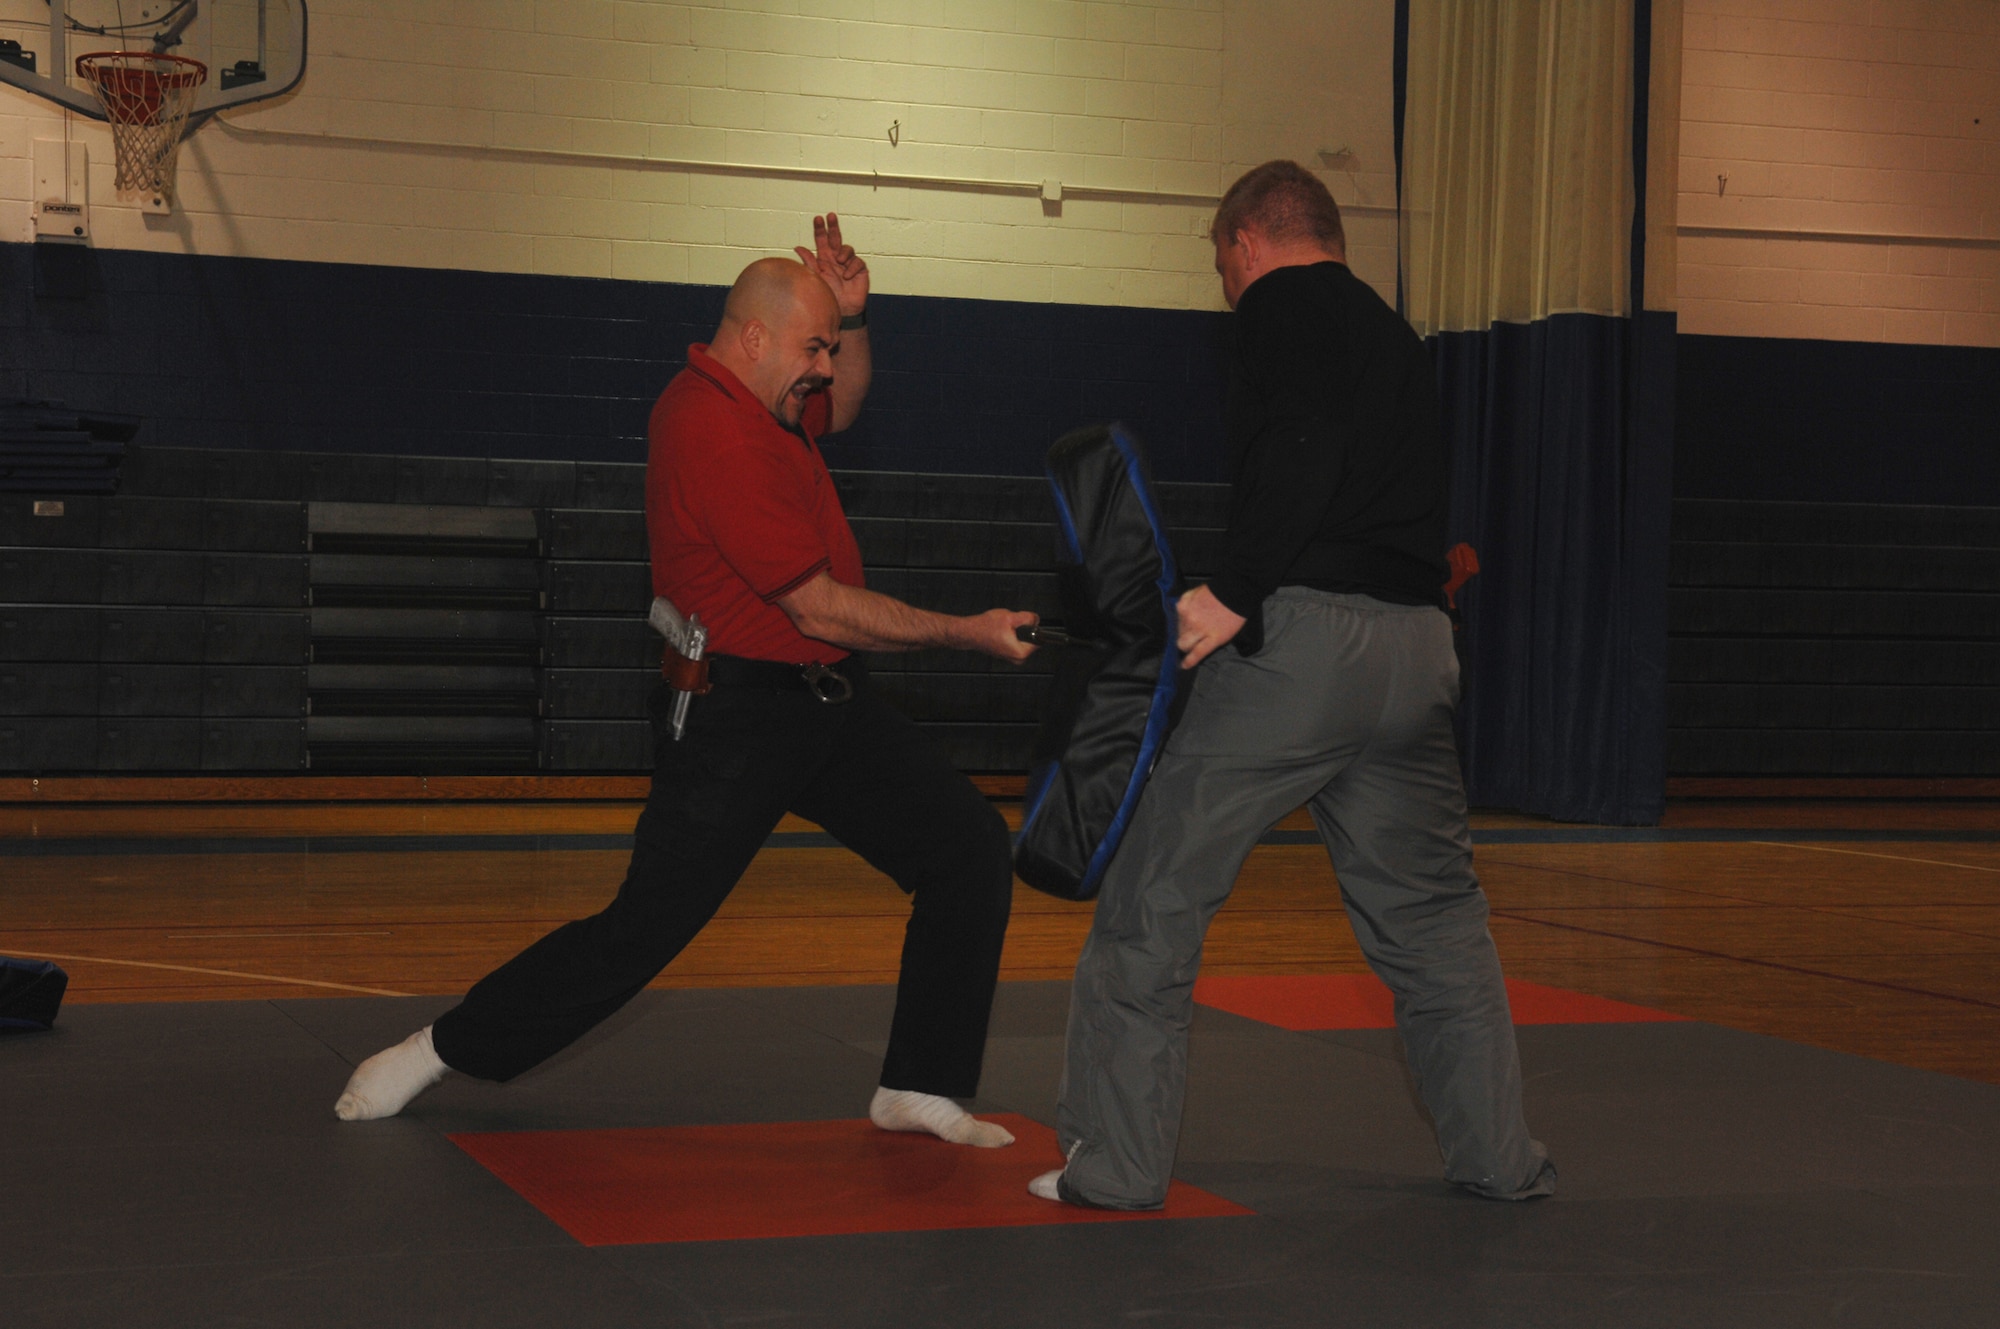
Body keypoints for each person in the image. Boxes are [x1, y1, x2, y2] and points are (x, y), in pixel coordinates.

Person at [336, 215, 1039, 1150]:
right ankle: (435, 1049)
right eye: (812, 347)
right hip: (738, 716)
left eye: (828, 348)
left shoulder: (768, 400)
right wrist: (967, 632)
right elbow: (821, 609)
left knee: (966, 849)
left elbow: (851, 406)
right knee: (641, 931)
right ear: (753, 338)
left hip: (826, 703)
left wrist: (855, 317)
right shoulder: (716, 431)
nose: (823, 368)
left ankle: (918, 1083)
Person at [1030, 162, 1556, 1207]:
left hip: (1307, 648)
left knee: (1153, 898)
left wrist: (1234, 586)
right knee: (1435, 922)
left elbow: (1305, 444)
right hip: (1418, 653)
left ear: (1248, 241)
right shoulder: (1397, 338)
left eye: (1221, 261)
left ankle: (1117, 1167)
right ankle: (1499, 1160)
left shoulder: (1273, 308)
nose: (1225, 282)